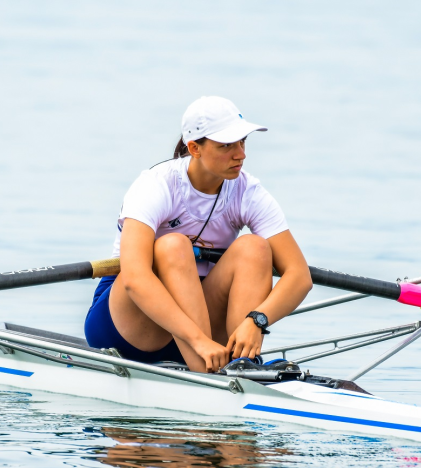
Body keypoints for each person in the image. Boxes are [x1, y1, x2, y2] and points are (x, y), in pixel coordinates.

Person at [85, 96, 312, 373]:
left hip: (205, 328)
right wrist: (198, 341)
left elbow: (299, 276)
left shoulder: (248, 192)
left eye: (242, 142)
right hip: (130, 328)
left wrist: (257, 320)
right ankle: (210, 373)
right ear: (194, 148)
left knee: (255, 247)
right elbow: (134, 279)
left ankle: (241, 363)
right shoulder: (156, 185)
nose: (240, 154)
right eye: (226, 145)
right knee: (173, 246)